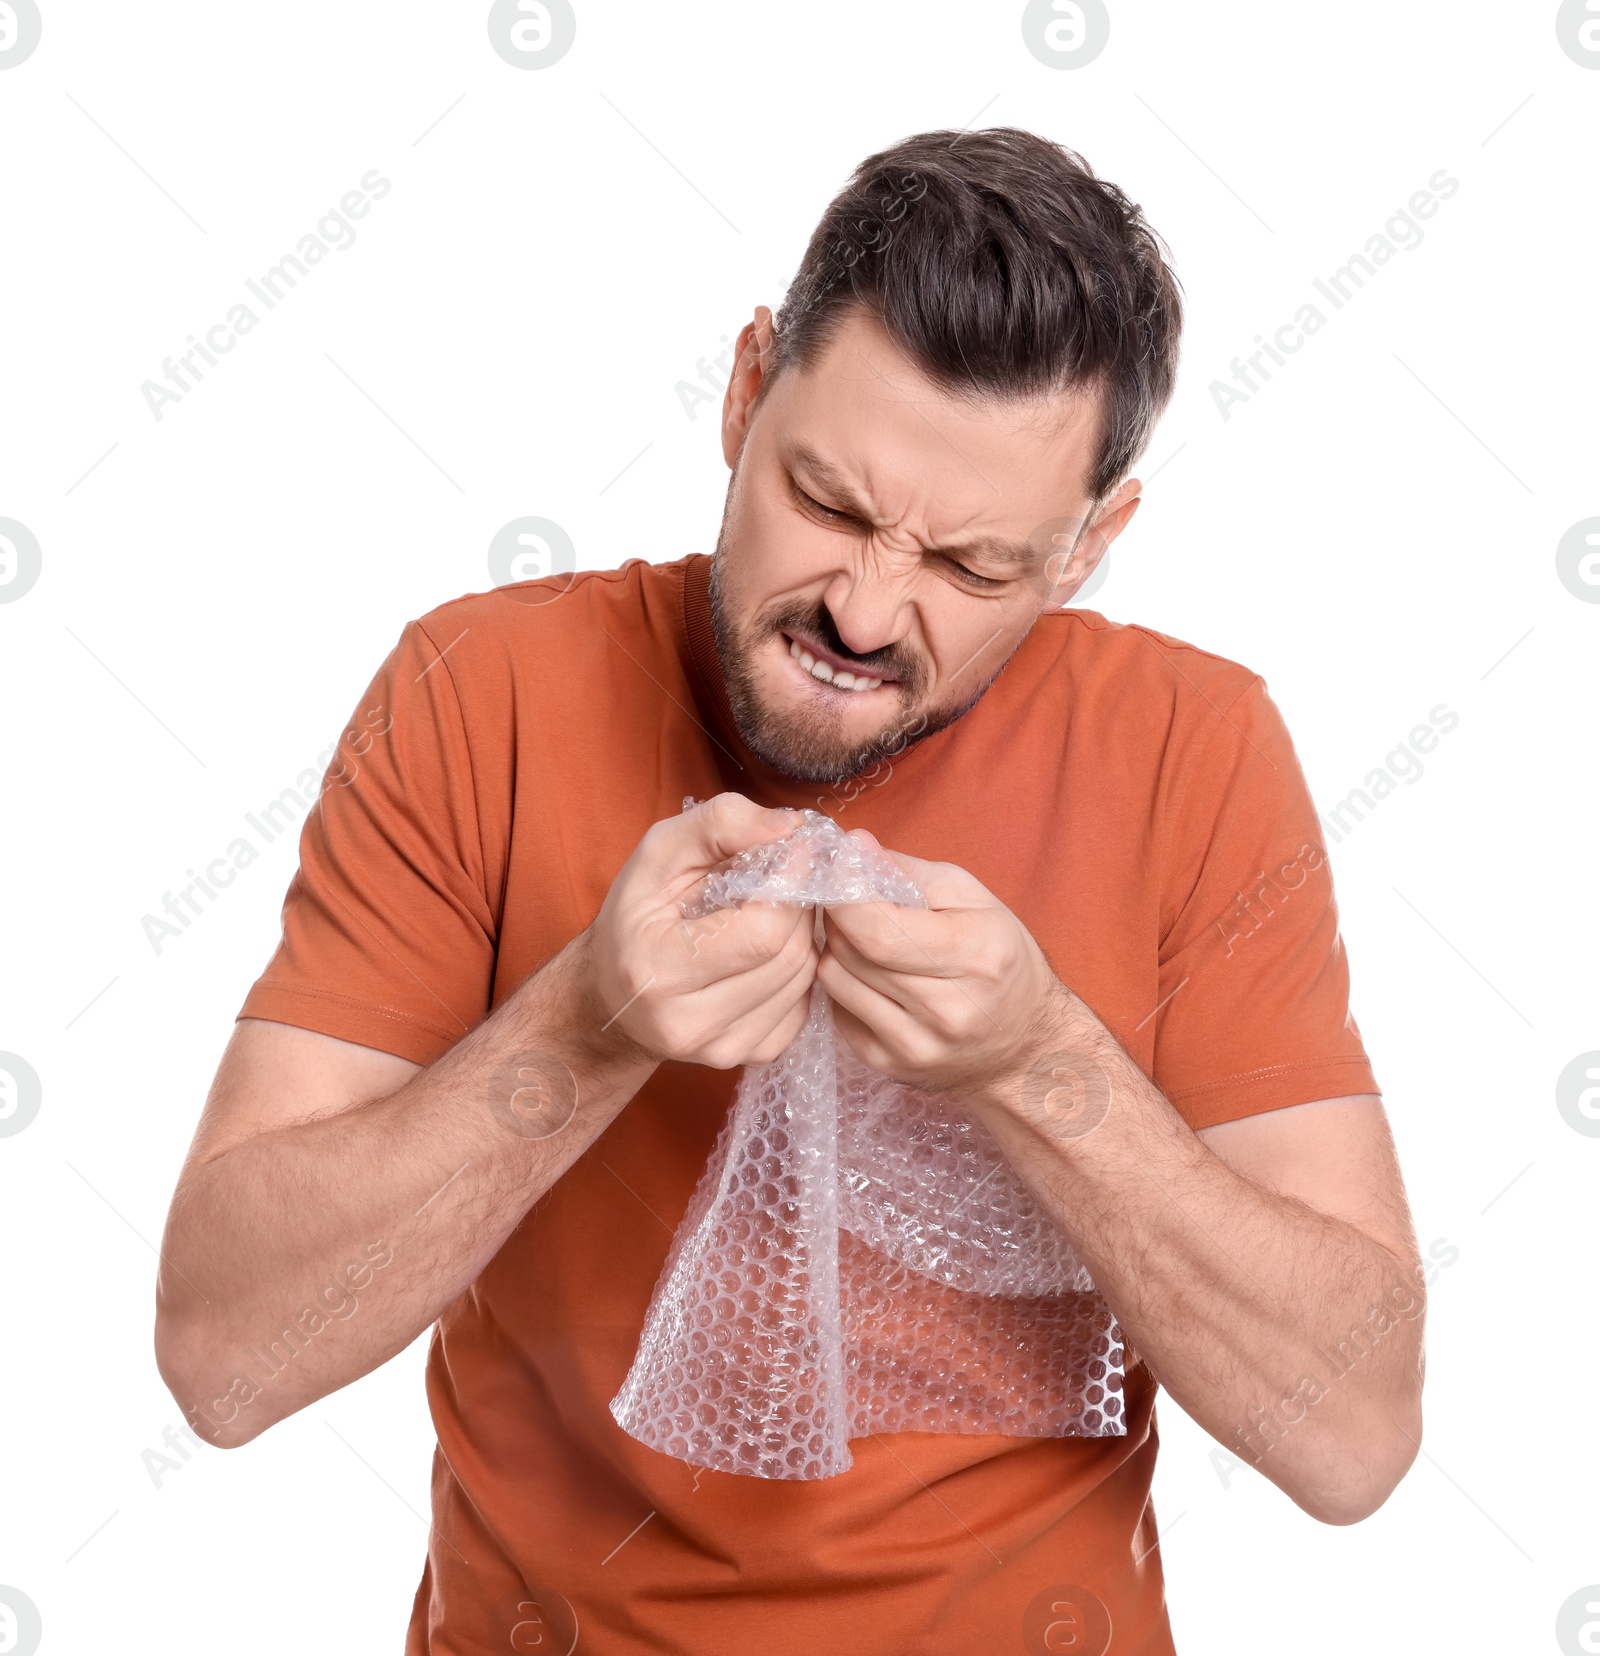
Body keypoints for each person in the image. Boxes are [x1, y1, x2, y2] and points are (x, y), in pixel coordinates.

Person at [154, 127, 1424, 1655]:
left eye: (969, 566)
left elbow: (1352, 1437)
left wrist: (1040, 1064)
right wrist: (581, 1031)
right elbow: (221, 1361)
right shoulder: (482, 689)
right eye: (829, 501)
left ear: (1092, 543)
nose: (867, 607)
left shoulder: (1194, 750)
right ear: (747, 387)